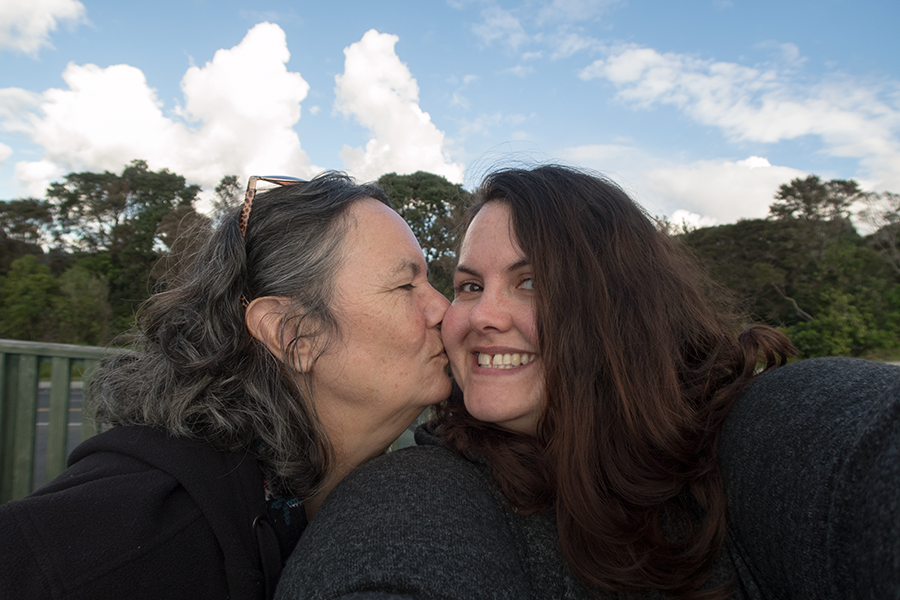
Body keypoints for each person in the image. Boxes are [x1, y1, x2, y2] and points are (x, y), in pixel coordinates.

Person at [275, 165, 900, 599]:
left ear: (621, 303)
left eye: (532, 281)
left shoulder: (773, 431)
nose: (476, 315)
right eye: (470, 285)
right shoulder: (419, 489)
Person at [0, 171, 451, 600]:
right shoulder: (125, 539)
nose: (445, 310)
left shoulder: (302, 503)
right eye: (405, 286)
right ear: (294, 335)